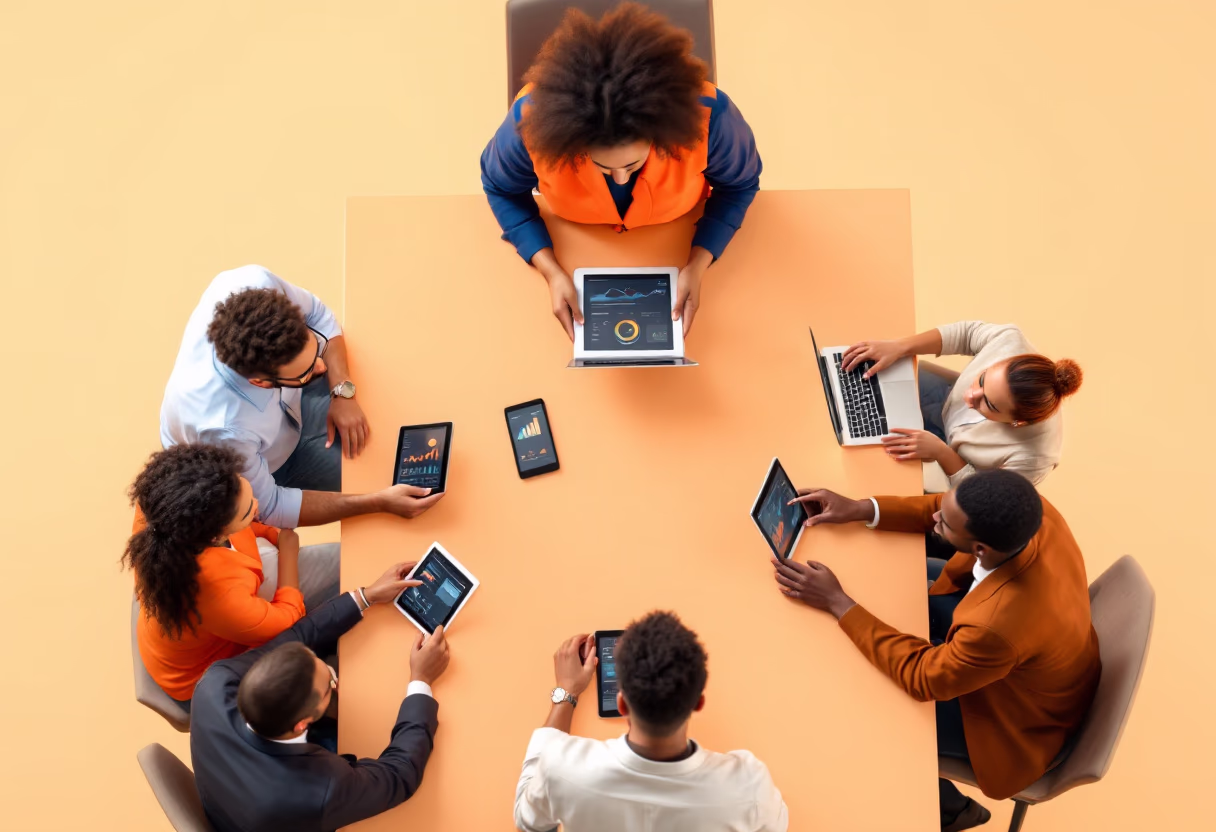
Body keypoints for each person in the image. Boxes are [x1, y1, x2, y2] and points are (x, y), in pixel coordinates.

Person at [771, 470, 1100, 832]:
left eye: (944, 524)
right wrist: (861, 508)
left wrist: (837, 602)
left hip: (1015, 724)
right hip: (1032, 653)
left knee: (866, 710)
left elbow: (922, 677)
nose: (934, 519)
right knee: (903, 585)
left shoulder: (998, 625)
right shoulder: (1026, 510)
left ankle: (953, 811)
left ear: (980, 550)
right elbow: (941, 505)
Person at [481, 3, 762, 340]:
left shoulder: (711, 117)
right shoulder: (529, 121)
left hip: (677, 240)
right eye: (602, 166)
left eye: (633, 164)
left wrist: (698, 263)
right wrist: (551, 271)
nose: (621, 179)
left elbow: (740, 186)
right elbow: (500, 188)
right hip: (576, 248)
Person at [161, 264, 443, 528]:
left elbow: (321, 316)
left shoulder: (254, 284)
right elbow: (271, 506)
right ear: (260, 381)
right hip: (265, 461)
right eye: (306, 373)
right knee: (377, 482)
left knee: (387, 432)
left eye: (313, 349)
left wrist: (342, 391)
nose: (321, 367)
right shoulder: (225, 430)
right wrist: (377, 501)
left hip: (274, 412)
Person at [190, 565, 450, 832]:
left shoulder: (214, 685)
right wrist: (421, 679)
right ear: (303, 723)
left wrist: (366, 595)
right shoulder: (320, 790)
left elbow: (298, 636)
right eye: (330, 683)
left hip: (236, 794)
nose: (328, 670)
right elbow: (400, 775)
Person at [514, 611, 788, 832]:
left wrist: (566, 692)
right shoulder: (749, 785)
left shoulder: (562, 767)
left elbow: (529, 823)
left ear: (622, 705)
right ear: (699, 703)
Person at [125, 444, 341, 707]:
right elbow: (286, 621)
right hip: (196, 677)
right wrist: (288, 552)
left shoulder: (162, 503)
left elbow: (250, 527)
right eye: (248, 508)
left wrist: (273, 534)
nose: (258, 505)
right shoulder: (215, 590)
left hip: (172, 634)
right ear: (215, 535)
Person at [842, 321, 1083, 488]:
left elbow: (982, 501)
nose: (970, 397)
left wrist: (941, 452)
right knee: (857, 397)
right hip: (941, 398)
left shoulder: (1035, 458)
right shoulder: (1010, 342)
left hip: (955, 467)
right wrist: (900, 346)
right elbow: (965, 334)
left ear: (1017, 422)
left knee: (869, 469)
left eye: (988, 403)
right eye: (981, 380)